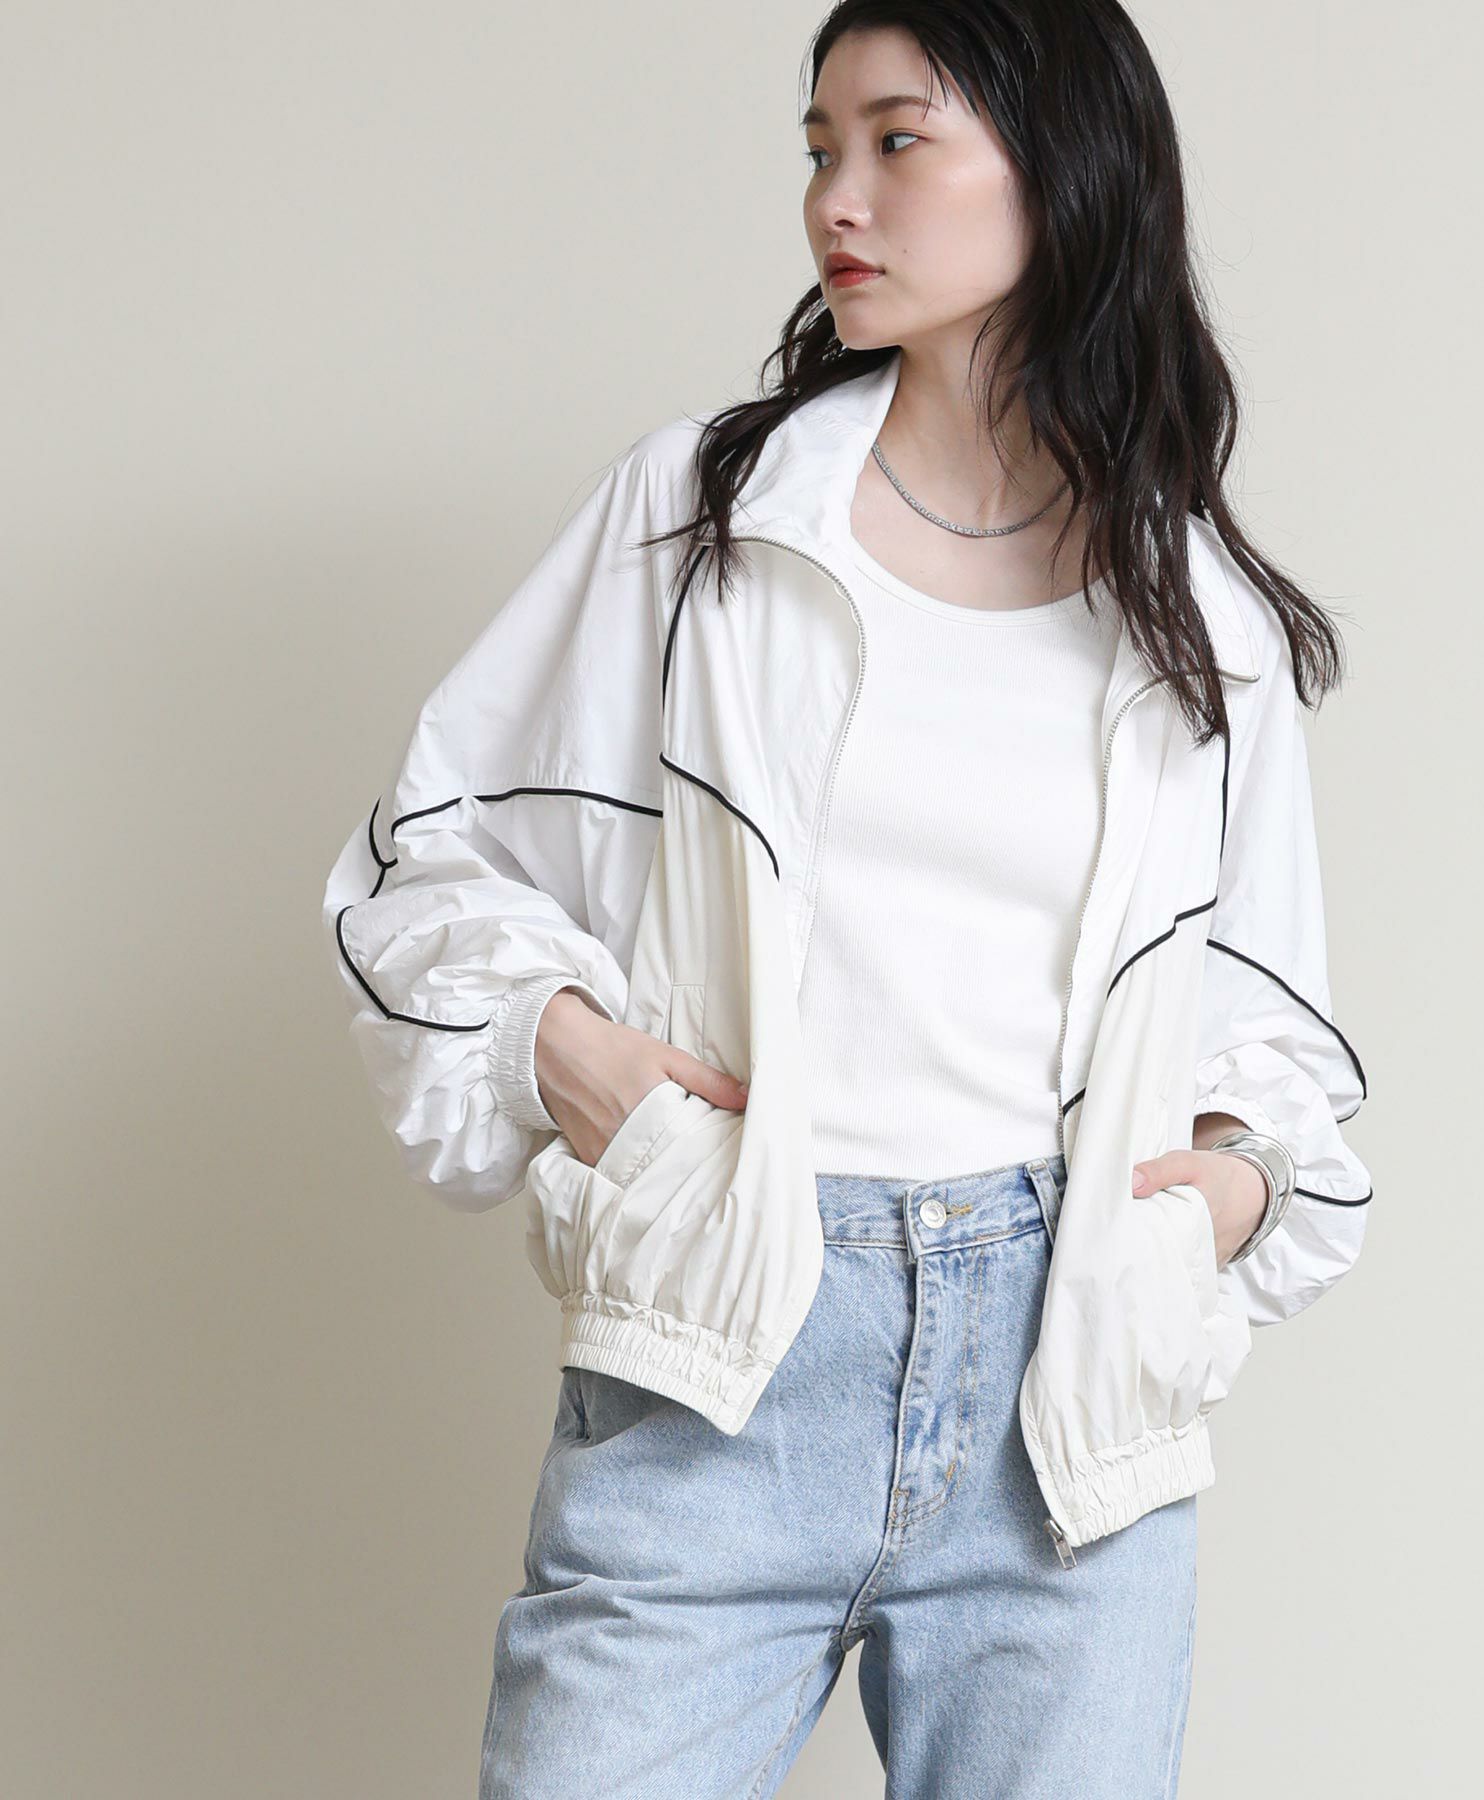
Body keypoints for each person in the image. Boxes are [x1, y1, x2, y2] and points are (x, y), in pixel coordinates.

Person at [321, 4, 1372, 1794]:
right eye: (820, 148)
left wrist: (1234, 1188)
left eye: (898, 139)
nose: (838, 198)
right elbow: (425, 861)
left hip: (1067, 1413)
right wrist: (569, 1054)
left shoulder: (1195, 608)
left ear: (1062, 164)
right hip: (725, 1358)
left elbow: (1269, 1023)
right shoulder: (707, 521)